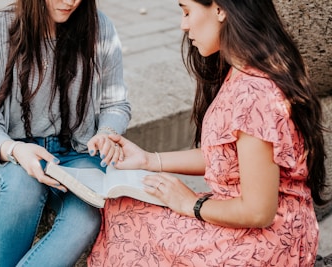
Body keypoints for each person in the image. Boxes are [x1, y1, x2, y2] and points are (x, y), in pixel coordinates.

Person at [88, 0, 330, 266]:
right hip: (255, 224)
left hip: (268, 243)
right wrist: (148, 160)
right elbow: (227, 156)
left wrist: (191, 204)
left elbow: (259, 211)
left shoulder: (254, 93)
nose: (183, 25)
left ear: (220, 8)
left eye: (187, 11)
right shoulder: (241, 70)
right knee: (122, 206)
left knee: (131, 220)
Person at [0, 0, 131, 266]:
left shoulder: (100, 29)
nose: (70, 2)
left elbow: (115, 103)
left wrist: (107, 132)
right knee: (23, 185)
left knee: (86, 217)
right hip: (16, 157)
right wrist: (16, 150)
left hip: (77, 155)